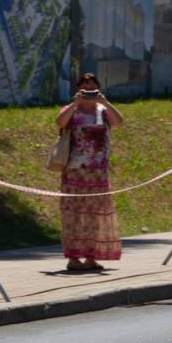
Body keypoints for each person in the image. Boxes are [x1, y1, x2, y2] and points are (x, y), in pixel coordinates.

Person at [55, 72, 123, 272]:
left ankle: (91, 257)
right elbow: (59, 123)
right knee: (74, 215)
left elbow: (119, 122)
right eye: (85, 88)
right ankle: (73, 258)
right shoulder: (71, 110)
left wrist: (106, 102)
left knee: (94, 215)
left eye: (93, 87)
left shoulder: (103, 110)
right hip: (75, 171)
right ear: (78, 90)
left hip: (98, 172)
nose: (89, 91)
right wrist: (75, 104)